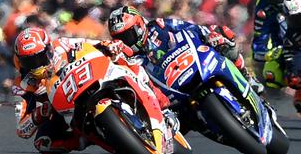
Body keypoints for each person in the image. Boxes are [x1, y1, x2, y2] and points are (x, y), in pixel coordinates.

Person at [12, 27, 175, 154]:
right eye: (30, 61)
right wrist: (38, 114)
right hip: (62, 109)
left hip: (89, 77)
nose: (36, 64)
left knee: (125, 60)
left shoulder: (61, 44)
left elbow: (88, 43)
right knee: (43, 143)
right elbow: (21, 130)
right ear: (21, 61)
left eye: (39, 57)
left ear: (48, 49)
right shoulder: (21, 85)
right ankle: (85, 139)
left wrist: (107, 45)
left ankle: (162, 104)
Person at [107, 6, 264, 93]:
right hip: (169, 88)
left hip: (191, 60)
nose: (126, 40)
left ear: (139, 25)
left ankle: (246, 76)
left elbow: (187, 27)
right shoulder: (129, 59)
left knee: (222, 35)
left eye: (128, 34)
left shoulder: (158, 25)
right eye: (120, 38)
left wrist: (210, 34)